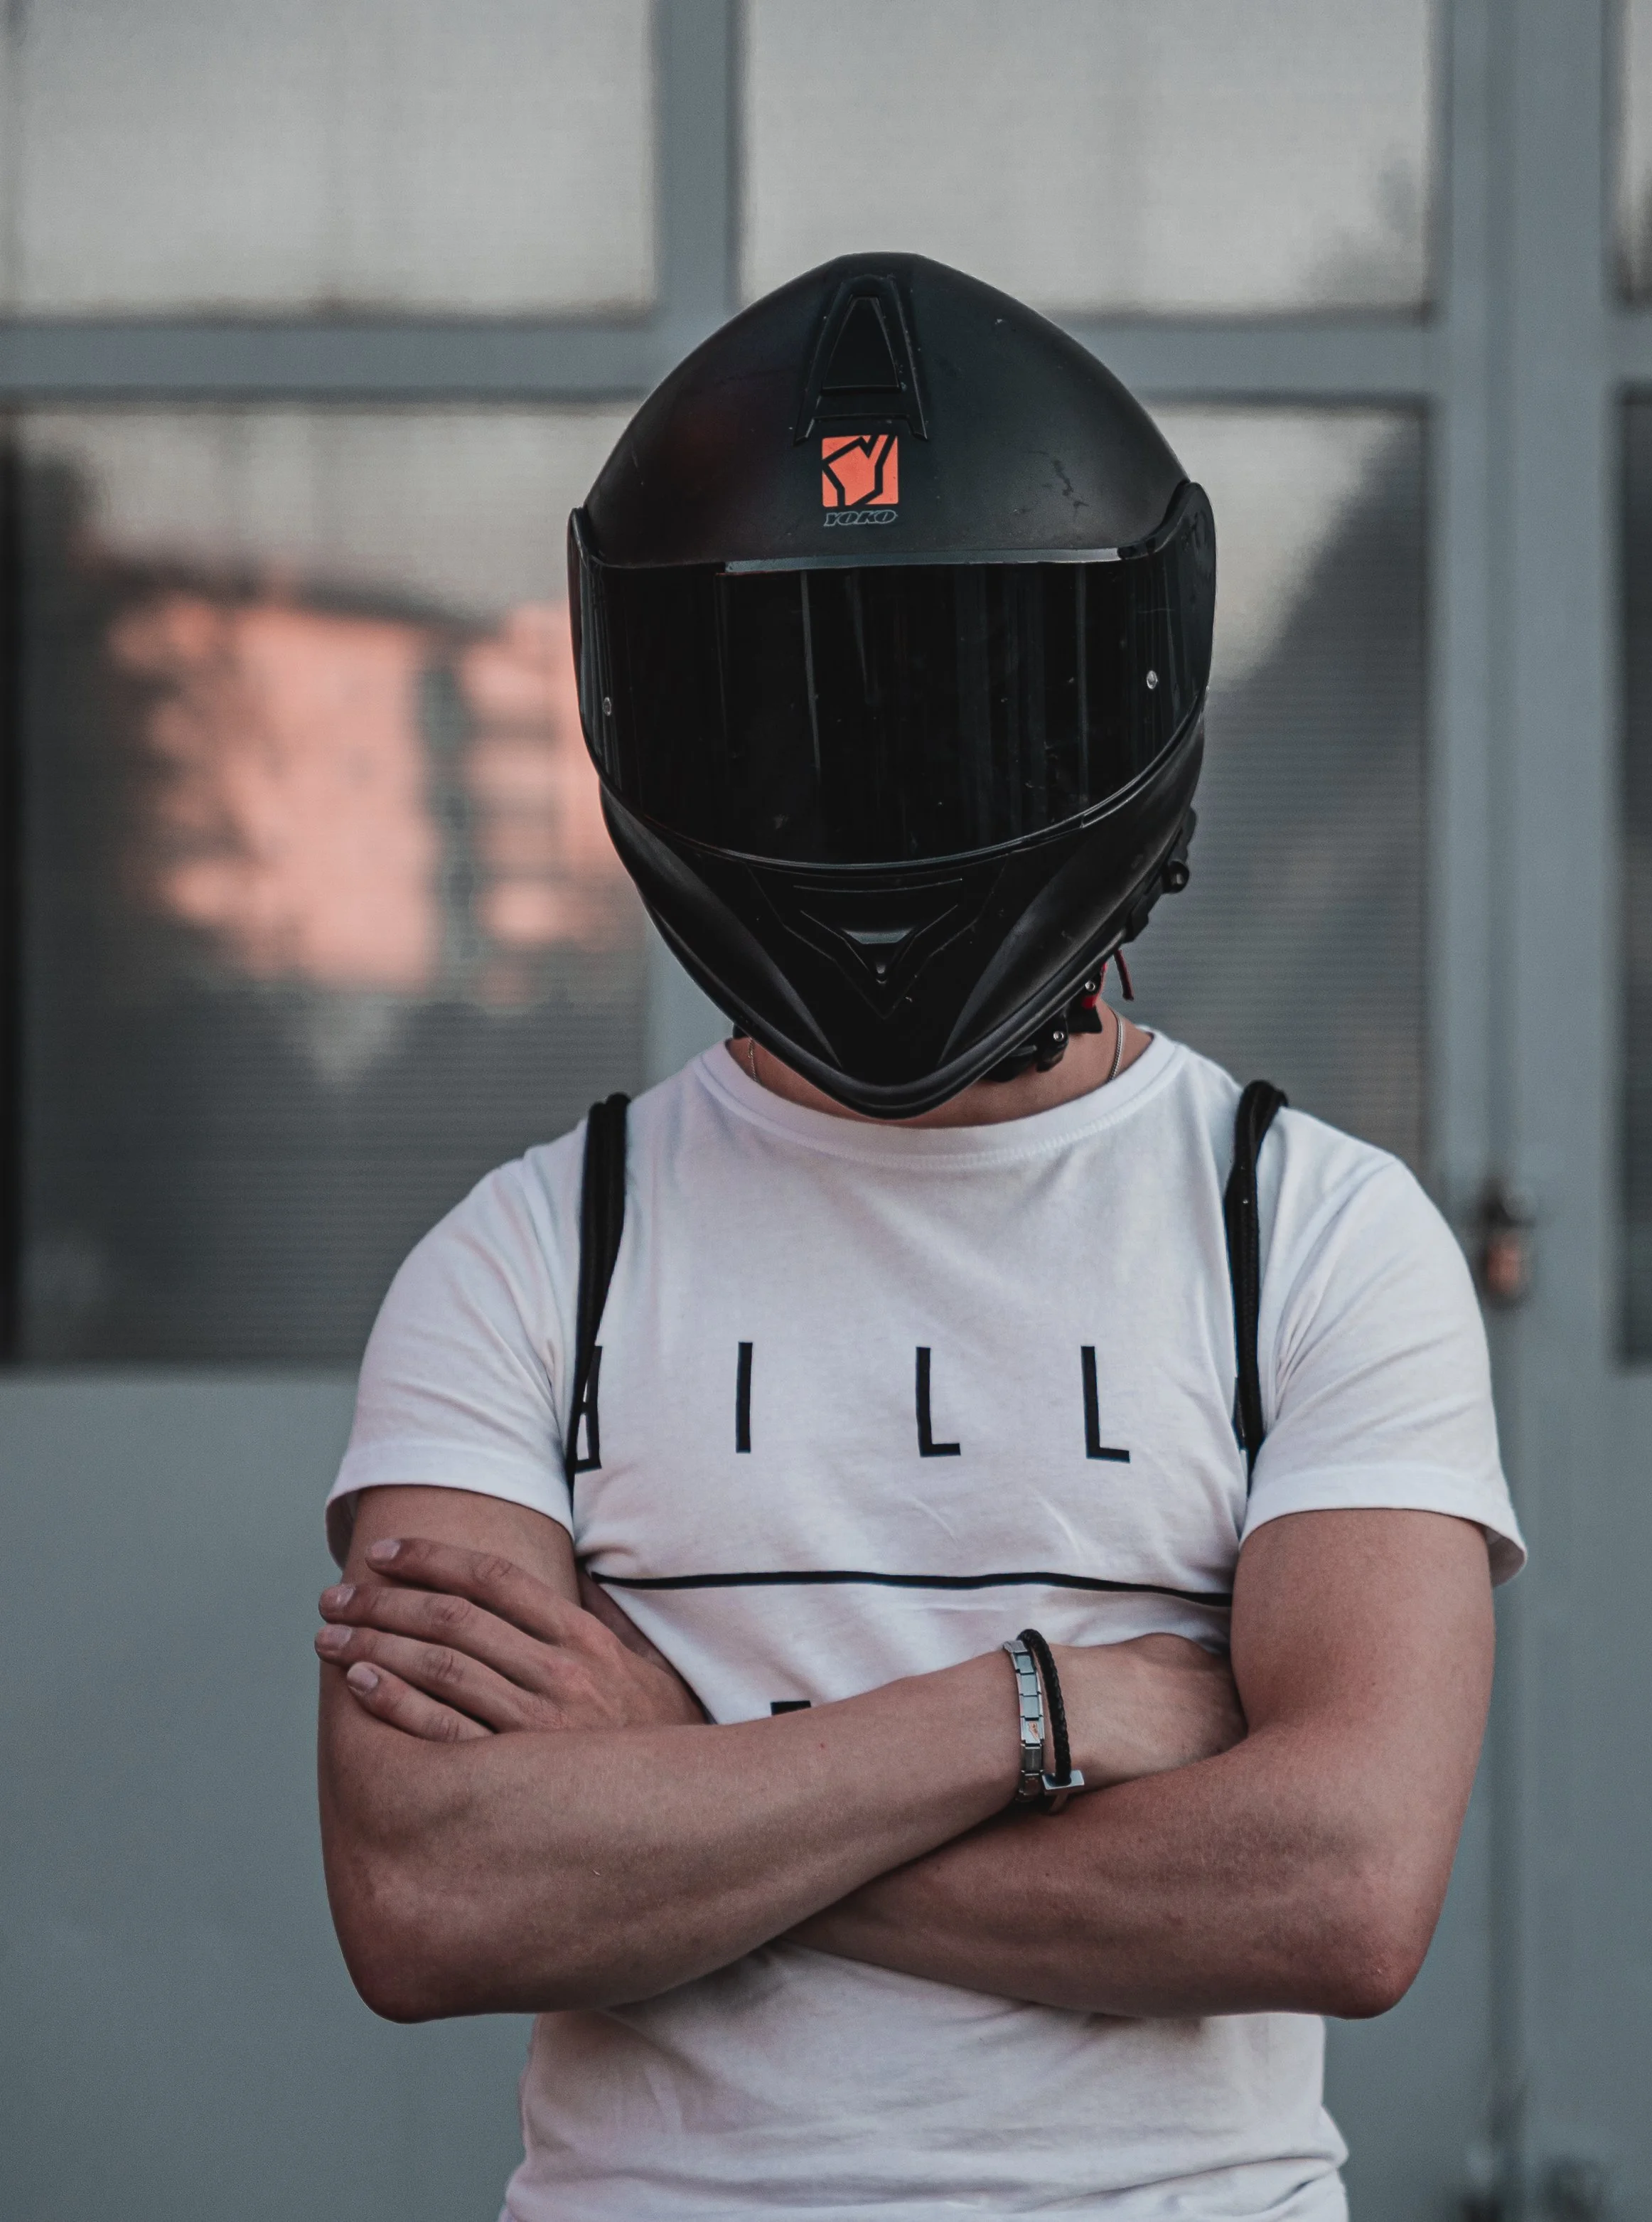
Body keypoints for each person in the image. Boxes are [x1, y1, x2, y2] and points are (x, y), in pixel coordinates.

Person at [316, 253, 1523, 2222]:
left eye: (954, 705)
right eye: (804, 710)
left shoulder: (1308, 1233)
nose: (881, 798)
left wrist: (685, 1769)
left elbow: (1334, 1888)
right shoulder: (532, 1253)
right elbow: (435, 1893)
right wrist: (1032, 1716)